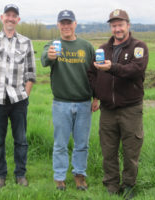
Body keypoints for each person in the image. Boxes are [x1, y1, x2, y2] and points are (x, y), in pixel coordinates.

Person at [88, 9, 149, 199]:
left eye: (120, 24)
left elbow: (135, 70)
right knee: (108, 150)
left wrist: (111, 67)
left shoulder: (138, 47)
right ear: (111, 27)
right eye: (114, 25)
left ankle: (129, 185)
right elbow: (92, 72)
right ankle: (111, 185)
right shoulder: (102, 49)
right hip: (108, 109)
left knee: (131, 151)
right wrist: (96, 94)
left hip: (130, 108)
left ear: (128, 25)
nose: (117, 29)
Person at [0, 4, 36, 188]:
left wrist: (25, 96)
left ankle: (20, 175)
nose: (11, 18)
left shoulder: (26, 42)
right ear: (2, 17)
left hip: (18, 101)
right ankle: (0, 175)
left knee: (21, 140)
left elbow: (31, 73)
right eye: (8, 15)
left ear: (18, 20)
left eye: (14, 16)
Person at [41, 10, 95, 191]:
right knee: (60, 144)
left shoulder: (86, 46)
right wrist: (50, 56)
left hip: (84, 103)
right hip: (61, 103)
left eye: (69, 22)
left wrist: (97, 97)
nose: (66, 26)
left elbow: (95, 74)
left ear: (75, 24)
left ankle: (79, 175)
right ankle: (59, 177)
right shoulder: (52, 45)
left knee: (82, 143)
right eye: (62, 23)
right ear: (58, 25)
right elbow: (44, 61)